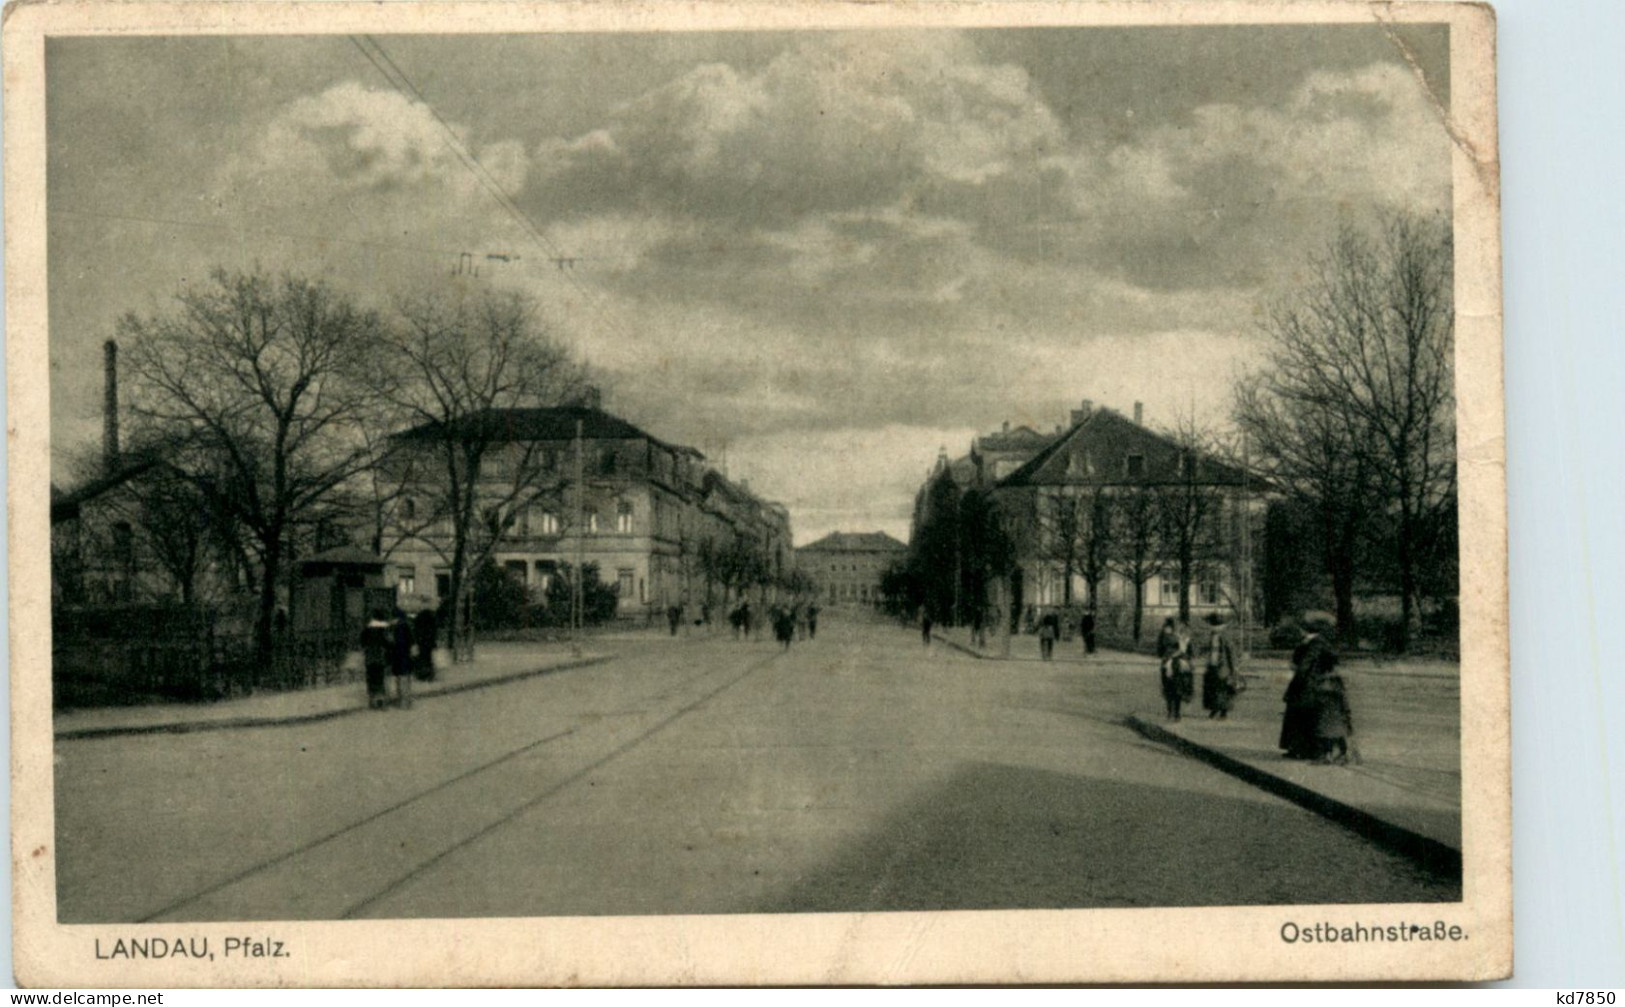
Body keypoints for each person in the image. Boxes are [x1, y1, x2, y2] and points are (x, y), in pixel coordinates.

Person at [1280, 613, 1337, 759]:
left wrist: (1296, 671)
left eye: (1300, 629)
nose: (1299, 632)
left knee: (1302, 717)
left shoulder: (1315, 644)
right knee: (1299, 717)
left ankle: (1303, 750)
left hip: (1308, 685)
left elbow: (1305, 665)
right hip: (1308, 684)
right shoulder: (1313, 642)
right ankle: (1297, 748)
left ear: (1305, 630)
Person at [1201, 612, 1240, 719]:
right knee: (1212, 688)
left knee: (1223, 689)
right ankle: (1214, 709)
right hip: (1213, 665)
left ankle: (1223, 711)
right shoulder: (1212, 635)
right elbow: (1209, 650)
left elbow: (1231, 652)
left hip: (1223, 667)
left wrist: (1234, 667)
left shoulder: (1225, 636)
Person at [1313, 667, 1355, 764]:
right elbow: (1345, 707)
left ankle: (1329, 754)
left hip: (1327, 719)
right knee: (1338, 736)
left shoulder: (1322, 693)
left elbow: (1318, 704)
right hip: (1337, 719)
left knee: (1328, 737)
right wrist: (1347, 717)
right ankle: (1343, 754)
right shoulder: (1340, 693)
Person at [361, 609, 393, 710]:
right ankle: (381, 702)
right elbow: (388, 644)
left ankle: (372, 701)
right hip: (380, 657)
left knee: (371, 679)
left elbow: (362, 642)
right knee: (380, 679)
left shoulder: (367, 629)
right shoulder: (383, 630)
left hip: (370, 657)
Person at [1156, 617, 1182, 720]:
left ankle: (1171, 712)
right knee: (1176, 688)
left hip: (1168, 663)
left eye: (1167, 627)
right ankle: (1176, 712)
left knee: (1168, 688)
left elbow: (1159, 652)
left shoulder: (1162, 636)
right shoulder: (1178, 636)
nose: (1166, 629)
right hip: (1176, 663)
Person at [391, 608, 415, 709]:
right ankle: (406, 701)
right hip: (406, 657)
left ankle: (403, 702)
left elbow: (398, 644)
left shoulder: (399, 627)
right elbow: (411, 642)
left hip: (400, 657)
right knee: (406, 680)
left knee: (401, 680)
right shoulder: (407, 626)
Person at [413, 606, 438, 682]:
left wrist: (416, 640)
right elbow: (433, 631)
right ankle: (428, 674)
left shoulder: (418, 619)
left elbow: (416, 631)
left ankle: (422, 674)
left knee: (422, 657)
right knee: (428, 657)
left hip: (422, 641)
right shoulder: (431, 618)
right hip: (428, 642)